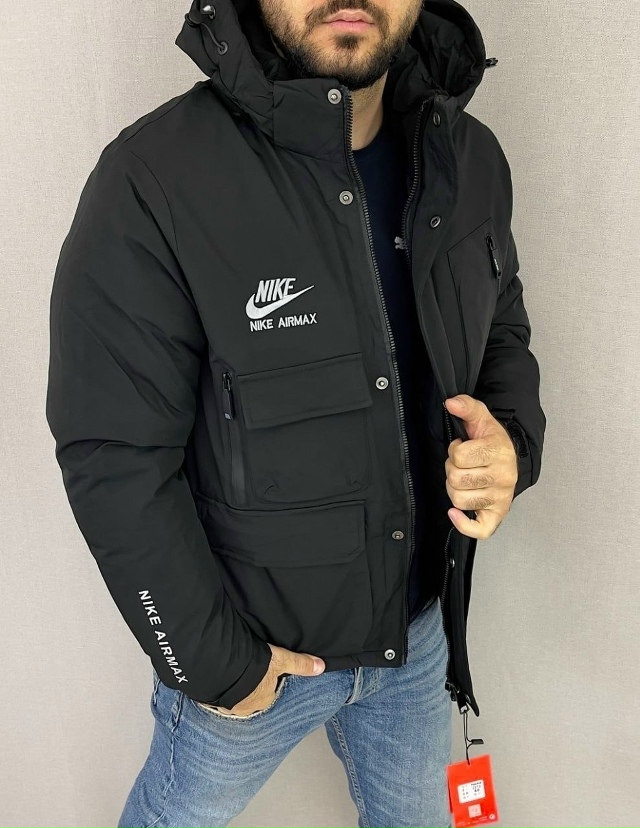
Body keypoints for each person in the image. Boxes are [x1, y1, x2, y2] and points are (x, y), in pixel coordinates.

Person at [45, 0, 546, 825]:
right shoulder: (155, 178)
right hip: (252, 656)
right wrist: (216, 665)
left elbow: (502, 330)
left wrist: (511, 444)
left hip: (420, 636)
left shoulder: (470, 157)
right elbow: (114, 454)